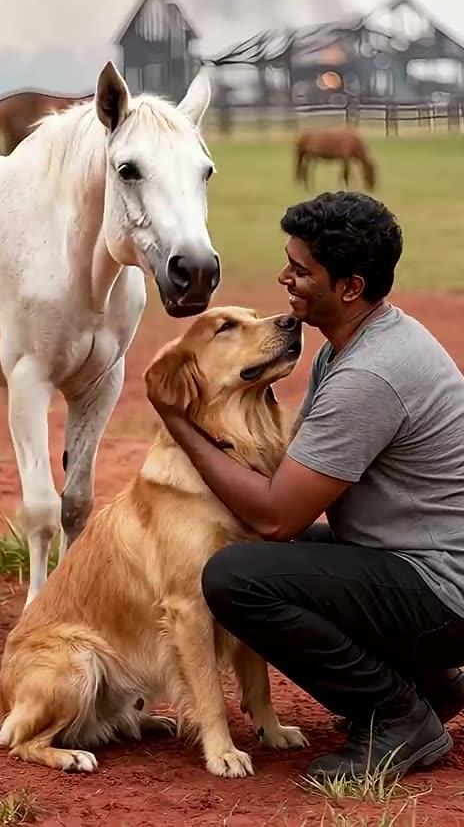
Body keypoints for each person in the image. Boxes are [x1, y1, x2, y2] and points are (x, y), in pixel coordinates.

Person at [148, 191, 464, 779]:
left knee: (236, 575)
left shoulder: (370, 374)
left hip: (443, 591)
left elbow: (276, 516)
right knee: (273, 558)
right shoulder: (359, 343)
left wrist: (179, 421)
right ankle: (431, 683)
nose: (284, 278)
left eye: (300, 270)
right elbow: (296, 476)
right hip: (418, 566)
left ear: (350, 287)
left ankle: (399, 717)